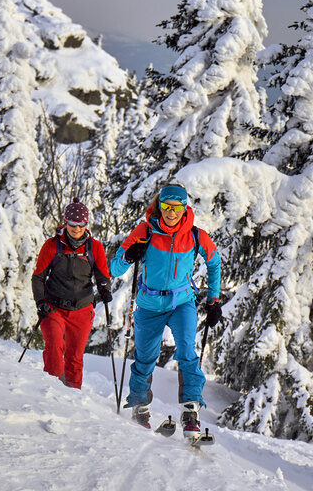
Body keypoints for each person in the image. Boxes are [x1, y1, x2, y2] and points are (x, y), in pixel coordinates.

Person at [111, 184, 221, 437]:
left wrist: (213, 300)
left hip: (181, 302)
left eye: (176, 207)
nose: (171, 212)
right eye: (166, 206)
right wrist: (129, 255)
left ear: (185, 208)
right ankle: (140, 407)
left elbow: (214, 263)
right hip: (149, 305)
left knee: (186, 351)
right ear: (159, 206)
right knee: (145, 358)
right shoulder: (145, 230)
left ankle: (191, 412)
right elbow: (115, 268)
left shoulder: (195, 235)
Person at [32, 197, 113, 389]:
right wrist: (40, 301)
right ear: (65, 222)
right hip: (53, 307)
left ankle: (73, 396)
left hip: (82, 309)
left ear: (86, 224)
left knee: (75, 357)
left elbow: (102, 276)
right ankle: (53, 389)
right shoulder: (52, 246)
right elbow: (38, 277)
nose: (76, 228)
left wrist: (105, 290)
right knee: (53, 346)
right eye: (72, 223)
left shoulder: (95, 247)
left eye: (81, 224)